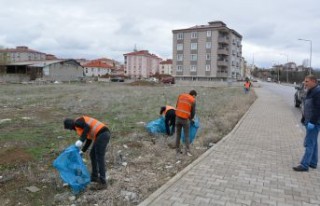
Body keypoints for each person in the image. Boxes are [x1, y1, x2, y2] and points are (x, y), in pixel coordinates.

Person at [64, 116, 110, 188]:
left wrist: (81, 140)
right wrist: (82, 151)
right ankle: (94, 177)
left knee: (99, 157)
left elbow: (87, 127)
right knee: (92, 154)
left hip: (102, 134)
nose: (72, 130)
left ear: (70, 125)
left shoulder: (78, 122)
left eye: (70, 128)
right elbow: (89, 140)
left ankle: (103, 182)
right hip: (100, 135)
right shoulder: (80, 125)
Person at [293, 75, 320, 172]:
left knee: (309, 143)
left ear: (313, 81)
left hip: (314, 122)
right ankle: (313, 162)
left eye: (307, 81)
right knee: (313, 142)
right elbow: (307, 106)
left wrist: (312, 122)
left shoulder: (318, 92)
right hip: (309, 120)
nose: (305, 83)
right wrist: (304, 117)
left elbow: (317, 109)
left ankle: (304, 165)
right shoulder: (311, 90)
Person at [175, 90, 197, 157]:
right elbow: (193, 112)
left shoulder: (181, 96)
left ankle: (177, 150)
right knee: (187, 135)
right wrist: (191, 119)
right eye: (195, 96)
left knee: (178, 135)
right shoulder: (192, 100)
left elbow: (177, 106)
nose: (195, 98)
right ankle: (187, 151)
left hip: (178, 118)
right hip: (185, 119)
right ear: (193, 95)